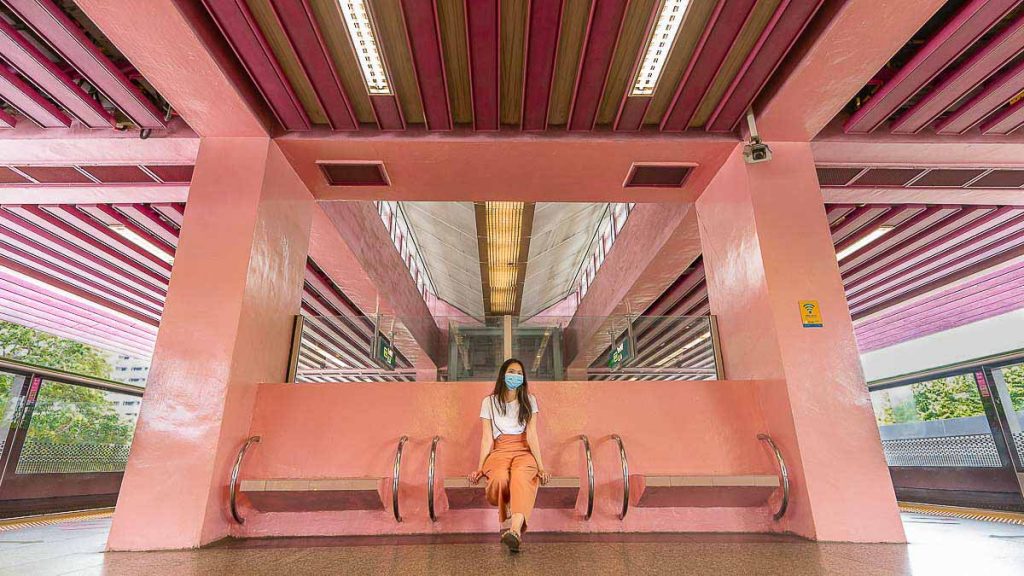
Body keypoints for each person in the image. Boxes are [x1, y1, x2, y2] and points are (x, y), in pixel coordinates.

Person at [468, 358, 550, 552]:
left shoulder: (530, 400)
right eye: (512, 372)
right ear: (503, 374)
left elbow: (532, 435)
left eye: (520, 373)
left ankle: (514, 531)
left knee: (521, 476)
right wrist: (480, 467)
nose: (516, 376)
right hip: (500, 450)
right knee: (499, 478)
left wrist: (541, 466)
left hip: (524, 450)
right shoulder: (489, 402)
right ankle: (510, 519)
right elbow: (487, 438)